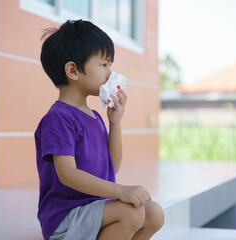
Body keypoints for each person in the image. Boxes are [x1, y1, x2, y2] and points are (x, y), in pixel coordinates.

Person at [34, 19, 164, 240]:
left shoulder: (94, 116)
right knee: (130, 212)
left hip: (95, 207)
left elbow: (112, 166)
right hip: (66, 218)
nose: (110, 73)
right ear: (73, 70)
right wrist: (121, 191)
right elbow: (68, 175)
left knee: (154, 213)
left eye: (110, 65)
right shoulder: (58, 118)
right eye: (104, 65)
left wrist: (115, 124)